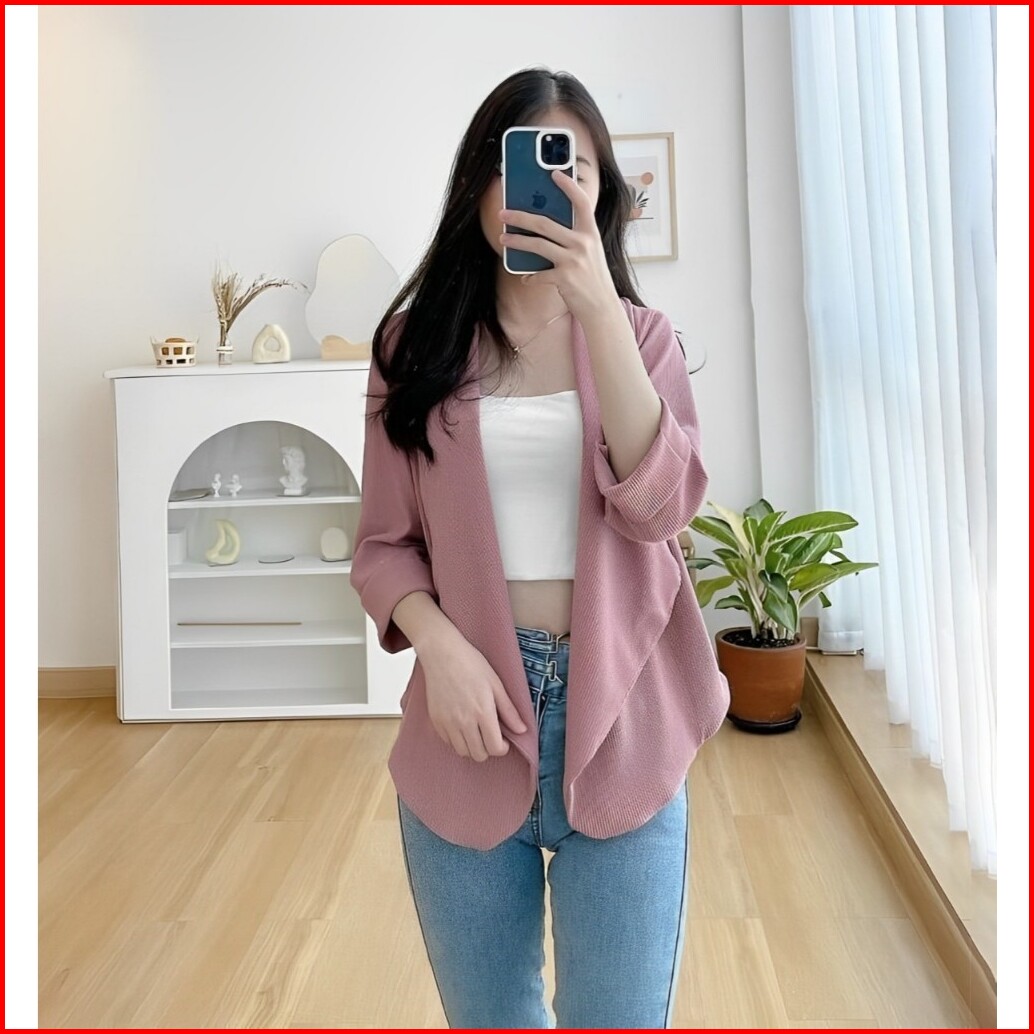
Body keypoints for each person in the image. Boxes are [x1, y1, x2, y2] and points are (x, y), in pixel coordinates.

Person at [349, 67, 730, 1029]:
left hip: (626, 711)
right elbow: (383, 547)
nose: (549, 190)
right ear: (479, 183)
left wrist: (597, 312)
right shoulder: (411, 349)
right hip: (470, 717)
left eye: (576, 171)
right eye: (522, 165)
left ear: (602, 196)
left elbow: (663, 510)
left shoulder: (641, 338)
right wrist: (439, 647)